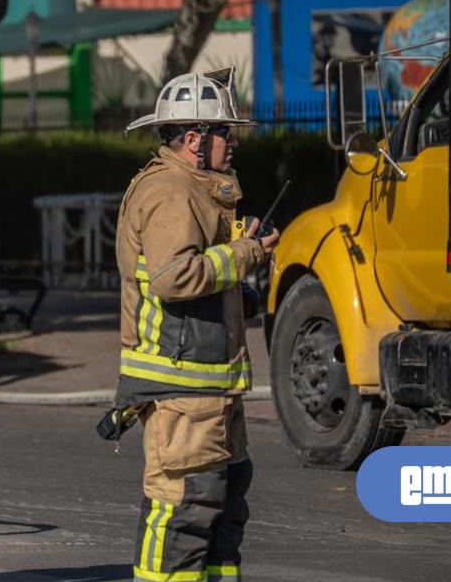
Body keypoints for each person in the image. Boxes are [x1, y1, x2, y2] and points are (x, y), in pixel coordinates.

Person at [113, 69, 279, 582]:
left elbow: (200, 276)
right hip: (181, 386)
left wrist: (240, 281)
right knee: (186, 506)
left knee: (224, 501)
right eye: (225, 132)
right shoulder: (171, 190)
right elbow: (173, 277)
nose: (234, 142)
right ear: (194, 139)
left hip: (209, 384)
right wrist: (246, 253)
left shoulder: (197, 189)